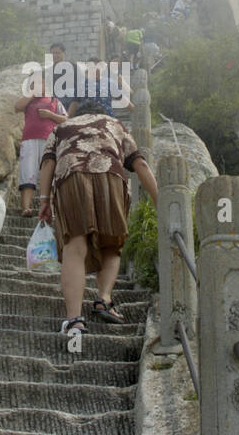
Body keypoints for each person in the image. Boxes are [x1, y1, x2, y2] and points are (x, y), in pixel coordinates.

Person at [37, 98, 159, 336]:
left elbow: (48, 162)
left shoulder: (62, 127)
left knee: (75, 246)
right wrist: (160, 201)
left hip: (71, 177)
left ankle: (74, 321)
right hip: (110, 176)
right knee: (112, 244)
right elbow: (140, 163)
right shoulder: (114, 123)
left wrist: (43, 201)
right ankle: (103, 299)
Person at [15, 75, 66, 216]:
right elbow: (17, 107)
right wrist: (32, 93)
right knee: (28, 172)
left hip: (49, 140)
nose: (38, 85)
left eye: (41, 83)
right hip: (29, 140)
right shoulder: (28, 101)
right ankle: (26, 207)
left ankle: (50, 207)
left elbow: (66, 119)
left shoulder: (54, 100)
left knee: (49, 173)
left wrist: (51, 115)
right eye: (34, 83)